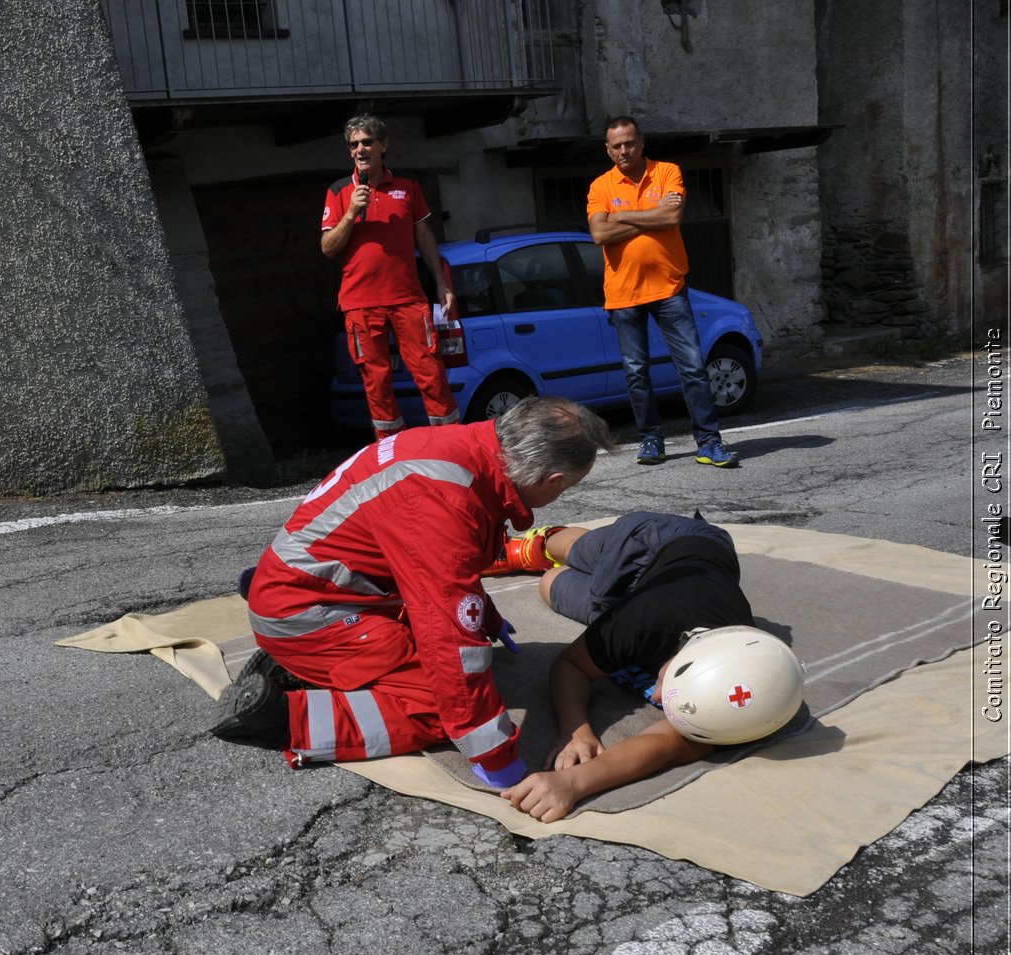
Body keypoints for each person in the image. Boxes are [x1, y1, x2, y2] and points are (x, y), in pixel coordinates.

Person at [210, 397, 615, 787]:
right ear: (551, 479)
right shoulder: (445, 499)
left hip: (313, 593)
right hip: (307, 612)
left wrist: (483, 614)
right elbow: (449, 640)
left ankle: (314, 663)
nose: (557, 497)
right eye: (563, 490)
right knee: (440, 706)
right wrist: (496, 756)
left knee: (443, 662)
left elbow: (438, 569)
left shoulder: (465, 449)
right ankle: (283, 715)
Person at [483, 512, 805, 822]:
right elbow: (570, 665)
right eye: (670, 686)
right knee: (578, 552)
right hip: (660, 542)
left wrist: (574, 783)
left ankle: (551, 562)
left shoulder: (754, 694)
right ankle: (541, 543)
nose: (662, 697)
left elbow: (666, 746)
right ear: (685, 659)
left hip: (655, 591)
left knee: (551, 584)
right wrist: (574, 729)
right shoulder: (646, 622)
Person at [588, 116, 739, 469]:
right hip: (623, 294)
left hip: (669, 287)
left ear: (641, 143)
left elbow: (672, 219)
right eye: (617, 146)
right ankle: (651, 440)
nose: (624, 150)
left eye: (630, 143)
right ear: (608, 151)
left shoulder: (667, 171)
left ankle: (709, 442)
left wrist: (622, 217)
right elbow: (598, 235)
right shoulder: (600, 186)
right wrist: (650, 215)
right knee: (637, 371)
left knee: (692, 367)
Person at [322, 114, 458, 441]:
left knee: (431, 373)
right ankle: (392, 451)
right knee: (376, 381)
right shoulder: (340, 191)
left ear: (383, 145)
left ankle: (450, 443)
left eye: (367, 142)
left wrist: (441, 284)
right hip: (360, 304)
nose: (360, 149)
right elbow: (328, 247)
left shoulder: (407, 186)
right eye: (354, 144)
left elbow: (425, 238)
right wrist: (353, 212)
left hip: (408, 298)